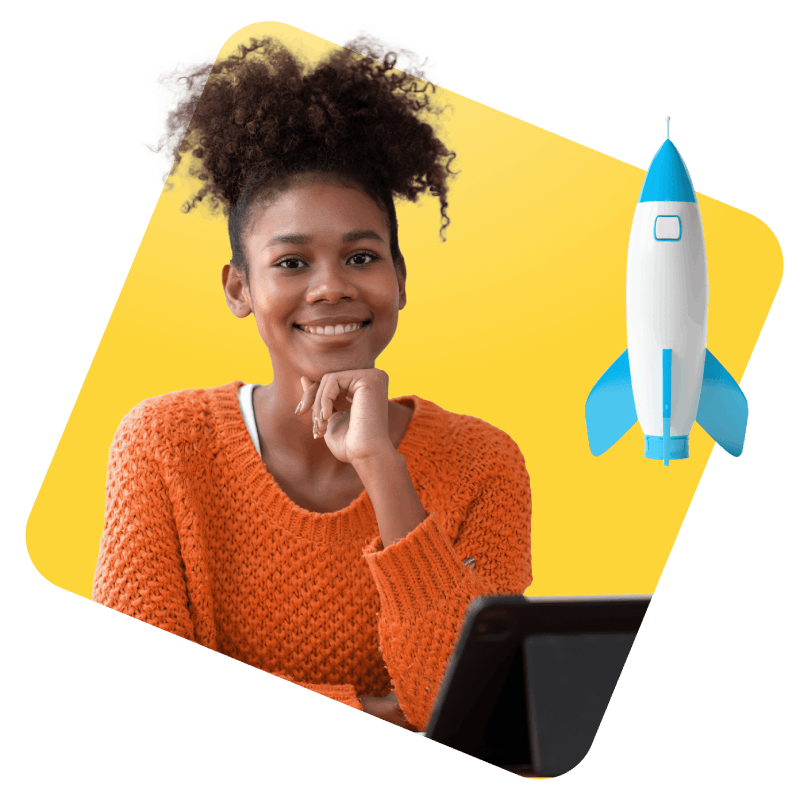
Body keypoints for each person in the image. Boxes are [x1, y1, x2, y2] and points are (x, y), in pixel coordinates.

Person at [93, 32, 533, 734]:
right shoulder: (163, 444)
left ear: (400, 280)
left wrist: (383, 468)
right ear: (239, 288)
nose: (331, 288)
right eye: (292, 263)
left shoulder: (484, 465)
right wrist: (367, 708)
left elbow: (472, 715)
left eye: (361, 257)